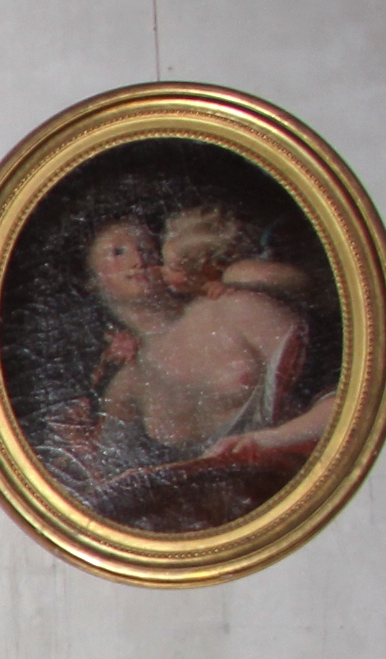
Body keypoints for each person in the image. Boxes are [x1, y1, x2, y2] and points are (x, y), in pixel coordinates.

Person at [39, 209, 325, 528]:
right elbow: (107, 494)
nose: (139, 258)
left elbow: (347, 400)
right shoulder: (127, 386)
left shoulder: (235, 308)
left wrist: (268, 443)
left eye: (147, 248)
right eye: (118, 252)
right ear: (92, 281)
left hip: (307, 501)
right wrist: (81, 451)